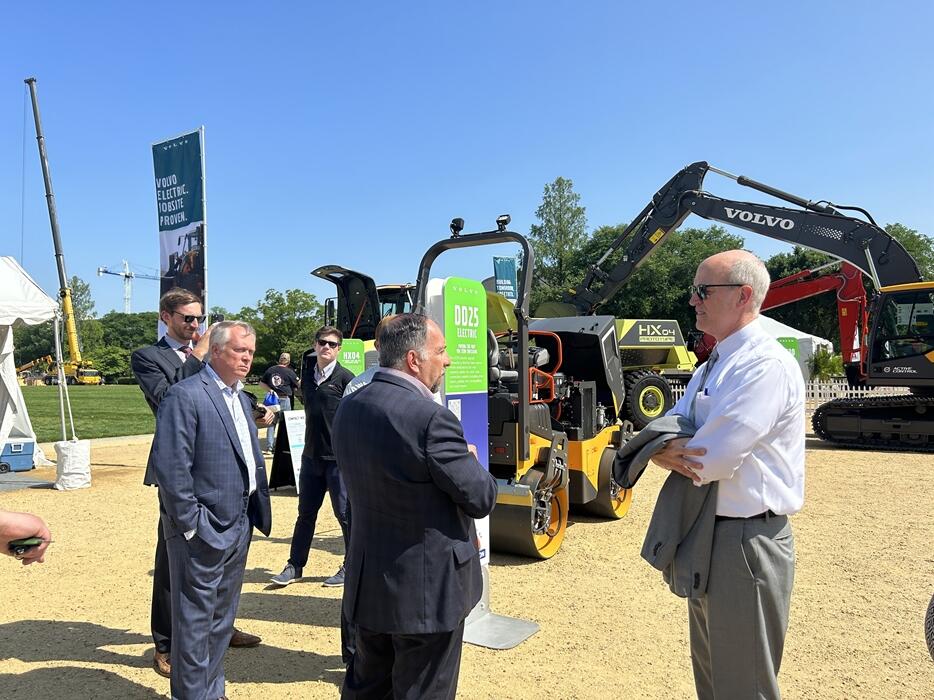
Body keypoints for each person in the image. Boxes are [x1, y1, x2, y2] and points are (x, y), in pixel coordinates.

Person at [646, 250, 804, 699]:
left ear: (744, 296)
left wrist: (667, 449)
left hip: (745, 542)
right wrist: (663, 448)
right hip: (711, 534)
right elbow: (663, 430)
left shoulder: (764, 366)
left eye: (703, 291)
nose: (693, 300)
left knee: (743, 685)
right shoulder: (712, 365)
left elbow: (708, 460)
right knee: (713, 679)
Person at [332, 313, 497, 699]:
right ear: (413, 359)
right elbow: (481, 497)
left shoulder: (350, 407)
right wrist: (470, 459)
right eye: (440, 351)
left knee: (367, 686)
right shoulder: (430, 419)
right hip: (426, 593)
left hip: (370, 582)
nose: (448, 359)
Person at [131, 287, 265, 678]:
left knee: (221, 565)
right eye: (187, 318)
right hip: (182, 474)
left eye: (199, 319)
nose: (194, 325)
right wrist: (202, 354)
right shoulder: (149, 357)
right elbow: (167, 397)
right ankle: (167, 642)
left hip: (218, 468)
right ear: (166, 317)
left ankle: (218, 626)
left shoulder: (214, 357)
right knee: (174, 559)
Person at [270, 325, 354, 590]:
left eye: (331, 344)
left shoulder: (346, 379)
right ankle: (295, 565)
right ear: (315, 345)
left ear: (339, 349)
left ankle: (351, 565)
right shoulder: (306, 378)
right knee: (305, 514)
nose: (326, 347)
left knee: (345, 514)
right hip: (310, 458)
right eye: (322, 343)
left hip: (338, 460)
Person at [259, 352, 300, 453]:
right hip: (285, 399)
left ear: (279, 359)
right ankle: (285, 446)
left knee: (271, 423)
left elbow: (261, 383)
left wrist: (270, 390)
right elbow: (299, 384)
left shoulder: (271, 370)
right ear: (288, 361)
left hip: (272, 400)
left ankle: (269, 447)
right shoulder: (289, 372)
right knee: (287, 424)